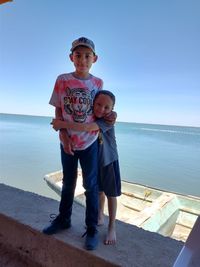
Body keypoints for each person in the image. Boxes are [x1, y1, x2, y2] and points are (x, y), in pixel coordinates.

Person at [43, 37, 103, 251]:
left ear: (94, 58)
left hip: (90, 143)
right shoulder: (62, 80)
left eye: (87, 55)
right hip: (68, 141)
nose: (82, 59)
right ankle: (63, 219)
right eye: (78, 55)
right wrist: (63, 136)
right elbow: (58, 109)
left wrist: (111, 114)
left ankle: (92, 228)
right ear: (71, 57)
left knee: (91, 186)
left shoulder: (98, 84)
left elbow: (102, 109)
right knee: (68, 183)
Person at [51, 90, 121, 246]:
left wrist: (61, 124)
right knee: (98, 190)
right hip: (95, 160)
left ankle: (112, 226)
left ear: (111, 109)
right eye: (98, 104)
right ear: (92, 103)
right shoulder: (93, 115)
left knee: (111, 194)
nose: (101, 109)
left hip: (109, 160)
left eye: (107, 108)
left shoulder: (107, 120)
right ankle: (100, 217)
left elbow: (87, 128)